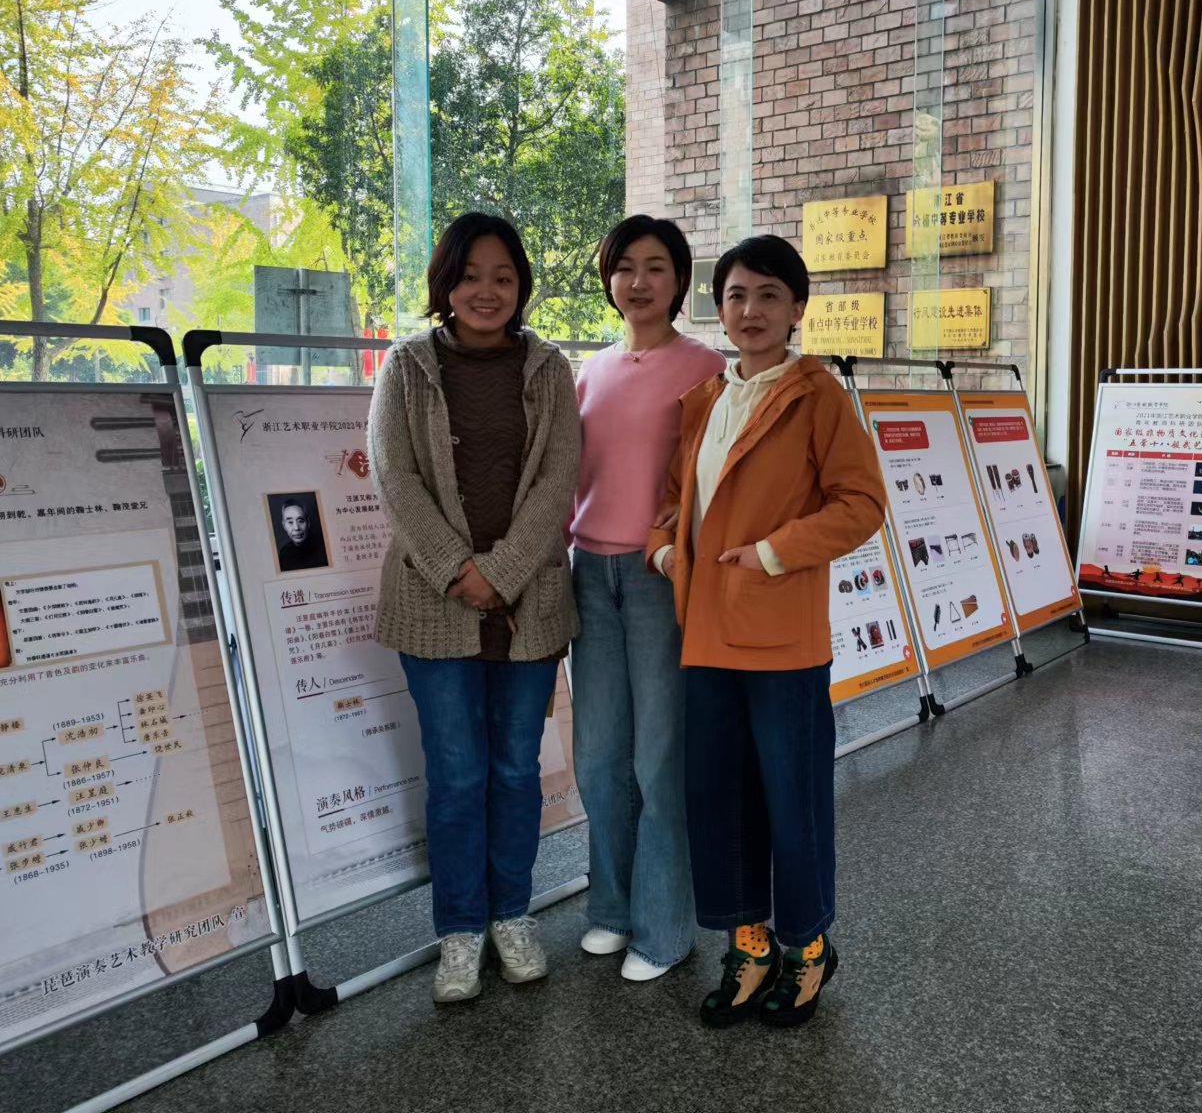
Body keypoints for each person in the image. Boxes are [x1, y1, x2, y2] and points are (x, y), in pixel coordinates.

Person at [647, 234, 886, 1028]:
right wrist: (664, 546)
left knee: (793, 800)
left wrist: (773, 553)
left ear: (797, 308)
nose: (750, 310)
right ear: (720, 308)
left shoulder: (818, 396)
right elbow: (679, 497)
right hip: (705, 632)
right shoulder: (707, 399)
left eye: (769, 295)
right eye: (736, 295)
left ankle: (807, 947)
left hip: (782, 636)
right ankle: (748, 945)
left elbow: (862, 504)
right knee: (718, 798)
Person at [368, 212, 581, 1004]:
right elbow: (394, 476)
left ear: (521, 285)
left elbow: (560, 477)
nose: (486, 291)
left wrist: (503, 572)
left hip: (530, 603)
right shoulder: (407, 366)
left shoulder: (549, 368)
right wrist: (460, 571)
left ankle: (511, 915)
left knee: (516, 769)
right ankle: (459, 931)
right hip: (435, 602)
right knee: (457, 774)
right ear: (445, 283)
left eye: (503, 276)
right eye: (469, 276)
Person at [569, 217, 725, 982]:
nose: (638, 281)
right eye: (624, 266)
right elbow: (571, 477)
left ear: (679, 281)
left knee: (659, 757)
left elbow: (715, 479)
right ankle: (612, 908)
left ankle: (664, 930)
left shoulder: (706, 368)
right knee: (598, 756)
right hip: (587, 573)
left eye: (656, 267)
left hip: (660, 575)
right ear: (608, 279)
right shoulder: (590, 370)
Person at [276, 498, 328, 571]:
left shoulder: (323, 550)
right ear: (284, 526)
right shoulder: (283, 554)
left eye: (300, 521)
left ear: (308, 523)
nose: (296, 528)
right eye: (290, 522)